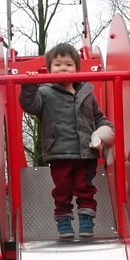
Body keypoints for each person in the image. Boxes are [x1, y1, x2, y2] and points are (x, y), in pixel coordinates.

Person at [19, 42, 114, 239]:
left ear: (77, 69)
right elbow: (30, 105)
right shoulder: (44, 92)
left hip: (86, 152)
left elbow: (98, 117)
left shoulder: (87, 93)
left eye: (69, 64)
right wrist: (28, 87)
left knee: (85, 187)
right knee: (62, 189)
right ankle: (63, 221)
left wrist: (106, 130)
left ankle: (86, 220)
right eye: (57, 64)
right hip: (59, 153)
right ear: (49, 69)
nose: (63, 68)